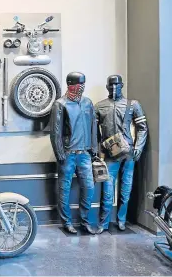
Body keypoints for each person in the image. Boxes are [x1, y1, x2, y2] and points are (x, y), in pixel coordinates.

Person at [95, 75, 148, 234]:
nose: (114, 88)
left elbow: (142, 127)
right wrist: (99, 149)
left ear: (122, 85)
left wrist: (139, 147)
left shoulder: (133, 105)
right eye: (111, 85)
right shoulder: (99, 106)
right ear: (107, 87)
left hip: (129, 154)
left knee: (126, 189)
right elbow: (93, 131)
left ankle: (121, 220)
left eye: (117, 85)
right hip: (110, 155)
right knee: (107, 189)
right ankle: (104, 222)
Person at [50, 72, 98, 234]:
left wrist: (94, 149)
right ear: (70, 84)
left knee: (89, 188)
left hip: (85, 154)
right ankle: (67, 222)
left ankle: (85, 221)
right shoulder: (60, 104)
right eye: (79, 84)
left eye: (83, 83)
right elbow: (55, 132)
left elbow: (93, 128)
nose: (81, 87)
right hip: (68, 154)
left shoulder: (87, 103)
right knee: (64, 189)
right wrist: (59, 154)